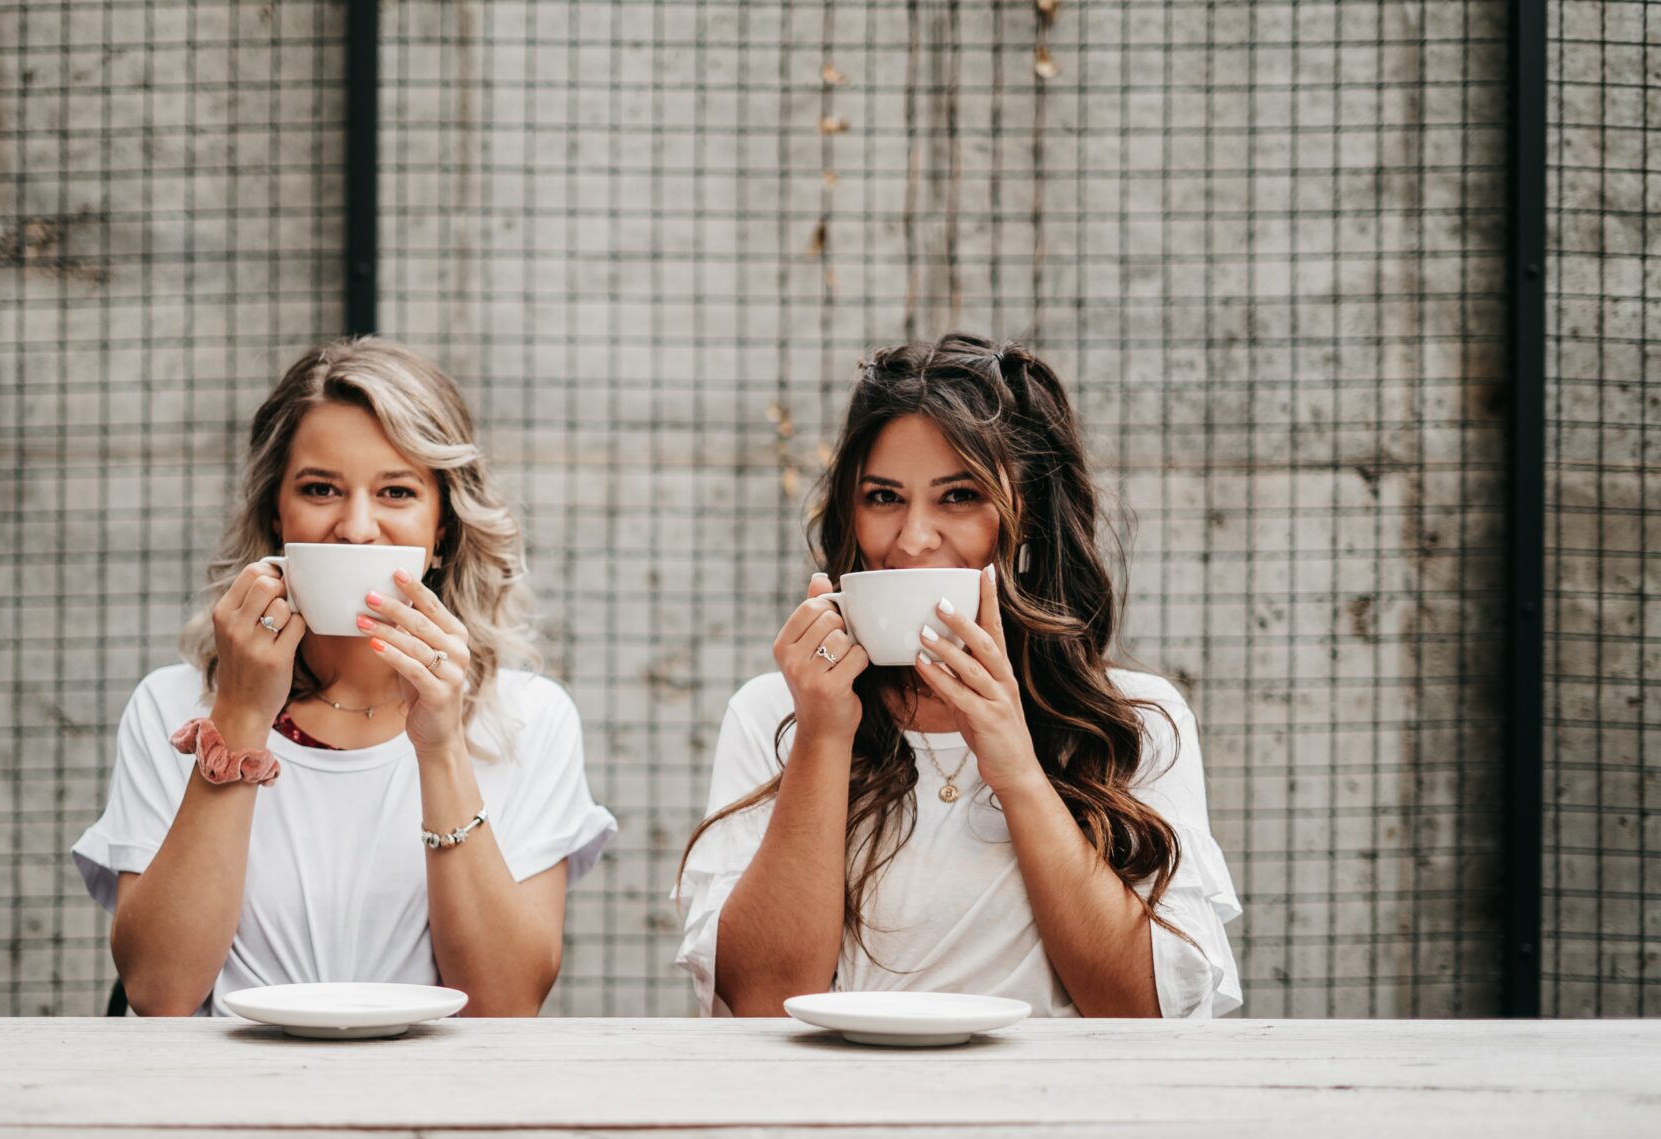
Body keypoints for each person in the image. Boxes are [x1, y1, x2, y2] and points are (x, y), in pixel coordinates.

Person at [674, 334, 1241, 1019]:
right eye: (883, 497)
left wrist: (1016, 767)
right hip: (837, 1108)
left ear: (1026, 515)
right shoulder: (776, 712)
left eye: (959, 496)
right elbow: (762, 999)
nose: (912, 539)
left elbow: (1146, 1010)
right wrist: (823, 736)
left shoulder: (1137, 717)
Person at [74, 338, 615, 1016]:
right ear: (278, 515)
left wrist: (442, 745)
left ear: (441, 526)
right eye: (320, 489)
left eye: (396, 491)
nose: (357, 529)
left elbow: (505, 1004)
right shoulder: (174, 707)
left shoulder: (529, 719)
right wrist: (240, 716)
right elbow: (159, 992)